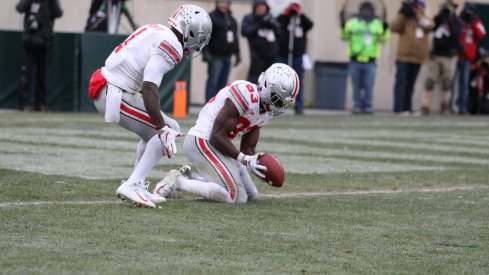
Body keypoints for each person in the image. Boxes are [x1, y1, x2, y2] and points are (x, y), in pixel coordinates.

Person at [87, 4, 212, 208]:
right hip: (114, 92)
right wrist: (161, 128)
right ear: (190, 32)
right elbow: (148, 89)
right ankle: (134, 184)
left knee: (157, 131)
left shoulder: (158, 29)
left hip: (110, 86)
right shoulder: (172, 44)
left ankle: (136, 184)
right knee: (168, 129)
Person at [152, 63, 299, 204]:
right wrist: (245, 160)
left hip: (218, 147)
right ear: (268, 88)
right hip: (201, 141)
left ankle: (190, 177)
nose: (279, 106)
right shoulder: (245, 93)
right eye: (277, 100)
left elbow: (247, 149)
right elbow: (216, 135)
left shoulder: (265, 113)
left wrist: (258, 165)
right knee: (236, 197)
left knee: (251, 194)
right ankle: (179, 182)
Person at [340, 1, 390, 114]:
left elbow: (384, 39)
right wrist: (342, 25)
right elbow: (344, 36)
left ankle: (368, 105)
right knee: (356, 85)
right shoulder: (353, 23)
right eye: (364, 10)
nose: (366, 12)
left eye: (368, 10)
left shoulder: (376, 24)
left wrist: (386, 29)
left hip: (370, 61)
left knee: (368, 85)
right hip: (355, 59)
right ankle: (357, 105)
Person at [16, 0, 63, 112]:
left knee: (43, 76)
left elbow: (58, 13)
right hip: (29, 42)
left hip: (45, 43)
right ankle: (24, 104)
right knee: (25, 75)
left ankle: (41, 104)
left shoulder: (50, 3)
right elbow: (19, 8)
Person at [391, 0, 434, 115]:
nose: (418, 7)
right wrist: (402, 14)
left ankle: (407, 107)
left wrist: (416, 16)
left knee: (411, 84)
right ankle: (398, 108)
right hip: (404, 56)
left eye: (420, 5)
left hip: (418, 57)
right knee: (401, 83)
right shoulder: (405, 18)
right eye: (416, 5)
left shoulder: (424, 18)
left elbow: (430, 26)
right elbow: (394, 27)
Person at [420, 0, 462, 115]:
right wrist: (441, 17)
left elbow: (456, 35)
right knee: (430, 81)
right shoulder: (438, 19)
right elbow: (430, 28)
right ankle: (425, 106)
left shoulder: (457, 21)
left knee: (447, 83)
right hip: (436, 55)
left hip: (449, 57)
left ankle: (444, 105)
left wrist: (450, 21)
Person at [276, 0, 313, 115]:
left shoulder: (301, 20)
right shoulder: (283, 19)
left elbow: (310, 24)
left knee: (298, 81)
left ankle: (299, 106)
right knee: (279, 82)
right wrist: (286, 14)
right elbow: (277, 22)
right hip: (283, 54)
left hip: (297, 55)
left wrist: (301, 14)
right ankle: (278, 104)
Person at [450, 3, 486, 115]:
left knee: (464, 84)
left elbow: (482, 34)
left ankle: (462, 107)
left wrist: (473, 21)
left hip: (467, 58)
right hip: (456, 56)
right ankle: (449, 106)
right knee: (451, 83)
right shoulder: (460, 21)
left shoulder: (476, 22)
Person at [203, 0, 241, 102]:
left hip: (227, 57)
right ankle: (209, 104)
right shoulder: (211, 17)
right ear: (217, 3)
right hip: (215, 57)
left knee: (223, 84)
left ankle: (218, 105)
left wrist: (237, 53)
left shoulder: (232, 19)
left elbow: (235, 38)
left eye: (226, 3)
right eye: (221, 2)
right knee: (213, 82)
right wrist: (205, 52)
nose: (223, 5)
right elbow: (205, 35)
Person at [241, 0, 280, 84]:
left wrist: (271, 24)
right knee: (254, 80)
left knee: (269, 81)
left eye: (263, 7)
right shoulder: (249, 18)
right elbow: (244, 32)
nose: (261, 9)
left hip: (270, 56)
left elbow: (279, 32)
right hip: (256, 56)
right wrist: (259, 24)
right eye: (259, 7)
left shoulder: (271, 18)